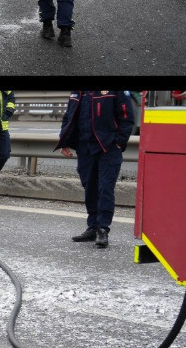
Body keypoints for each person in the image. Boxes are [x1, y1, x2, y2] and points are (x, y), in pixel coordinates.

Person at [55, 90, 135, 249]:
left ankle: (103, 228)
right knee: (89, 187)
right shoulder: (77, 92)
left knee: (105, 188)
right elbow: (68, 117)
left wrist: (119, 142)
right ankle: (92, 227)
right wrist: (64, 140)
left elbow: (127, 116)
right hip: (85, 148)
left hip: (108, 148)